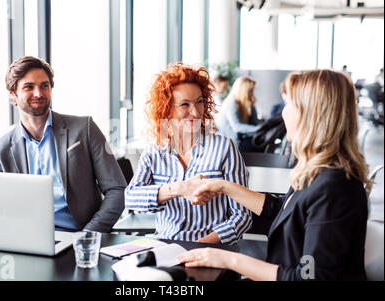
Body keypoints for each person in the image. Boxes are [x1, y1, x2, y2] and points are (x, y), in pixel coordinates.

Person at [178, 69, 371, 280]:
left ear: (312, 114)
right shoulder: (316, 171)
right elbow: (284, 213)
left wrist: (228, 259)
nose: (282, 113)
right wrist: (225, 187)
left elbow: (311, 276)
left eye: (289, 104)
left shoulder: (334, 187)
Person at [0, 56, 126, 232]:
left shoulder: (85, 129)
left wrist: (88, 236)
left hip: (82, 236)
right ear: (13, 94)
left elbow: (117, 189)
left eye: (44, 85)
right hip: (27, 240)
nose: (38, 93)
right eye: (29, 87)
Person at [124, 63, 252, 245]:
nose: (196, 112)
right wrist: (179, 189)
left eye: (200, 102)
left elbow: (242, 217)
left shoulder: (225, 149)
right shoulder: (154, 151)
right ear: (166, 109)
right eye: (185, 104)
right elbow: (130, 198)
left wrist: (199, 247)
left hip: (211, 249)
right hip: (164, 247)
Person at [215, 76, 262, 152]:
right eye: (250, 91)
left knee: (259, 143)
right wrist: (260, 129)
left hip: (236, 141)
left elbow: (254, 123)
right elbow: (237, 127)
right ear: (244, 91)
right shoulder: (231, 103)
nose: (252, 94)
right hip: (229, 144)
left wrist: (253, 106)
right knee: (258, 145)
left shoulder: (241, 104)